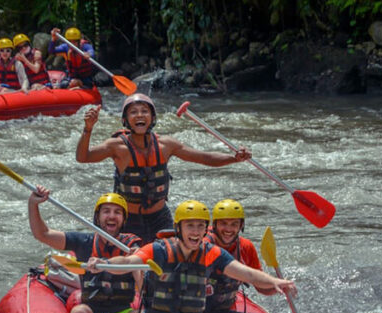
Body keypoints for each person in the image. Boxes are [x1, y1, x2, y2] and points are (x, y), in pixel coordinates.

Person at [87, 200, 295, 313]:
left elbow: (245, 273)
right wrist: (104, 263)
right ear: (179, 227)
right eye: (190, 226)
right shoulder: (158, 250)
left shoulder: (211, 253)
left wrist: (276, 282)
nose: (195, 232)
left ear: (206, 229)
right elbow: (128, 261)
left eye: (200, 226)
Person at [76, 94, 251, 243]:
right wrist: (88, 129)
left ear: (152, 117)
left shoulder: (166, 145)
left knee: (168, 263)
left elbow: (204, 158)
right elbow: (83, 158)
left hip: (160, 217)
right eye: (133, 112)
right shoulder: (116, 147)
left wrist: (233, 158)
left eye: (145, 111)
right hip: (128, 219)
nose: (139, 116)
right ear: (125, 120)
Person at [29, 187, 142, 313]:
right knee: (79, 312)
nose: (111, 216)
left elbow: (142, 285)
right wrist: (33, 205)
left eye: (117, 212)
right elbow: (43, 234)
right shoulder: (84, 242)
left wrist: (135, 263)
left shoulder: (131, 245)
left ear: (123, 219)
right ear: (98, 217)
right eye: (106, 211)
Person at [203, 199, 275, 313]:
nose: (228, 229)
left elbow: (259, 285)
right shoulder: (201, 243)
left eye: (234, 224)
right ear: (214, 224)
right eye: (223, 223)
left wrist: (277, 287)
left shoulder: (246, 247)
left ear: (241, 225)